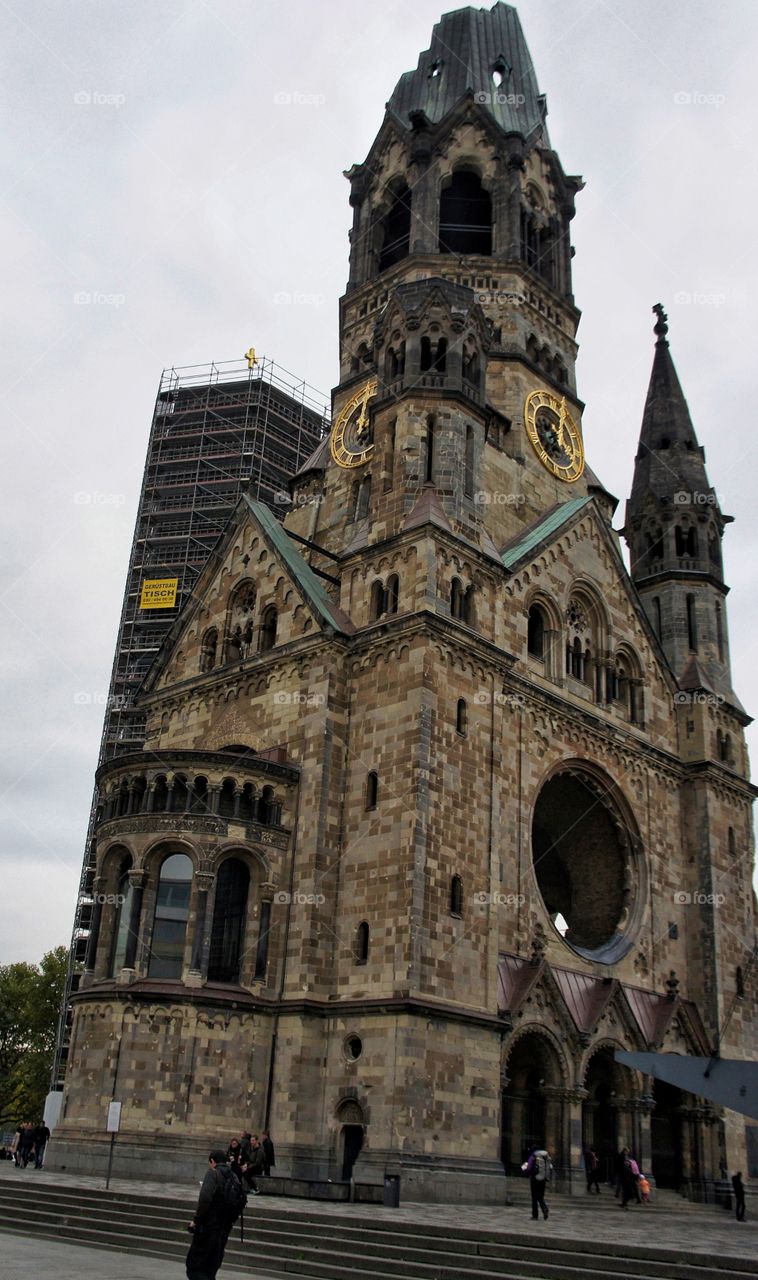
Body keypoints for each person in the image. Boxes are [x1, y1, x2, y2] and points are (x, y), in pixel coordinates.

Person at [186, 1149, 240, 1280]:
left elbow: (205, 1199)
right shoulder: (234, 1177)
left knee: (194, 1268)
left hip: (208, 1228)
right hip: (224, 1229)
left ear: (212, 1161)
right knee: (210, 1270)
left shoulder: (213, 1173)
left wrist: (196, 1220)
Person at [523, 1144, 551, 1221]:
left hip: (535, 1179)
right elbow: (550, 1167)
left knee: (534, 1197)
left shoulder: (533, 1156)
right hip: (543, 1179)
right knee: (540, 1196)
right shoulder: (545, 1156)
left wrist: (524, 1169)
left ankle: (535, 1216)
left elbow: (528, 1168)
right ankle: (544, 1208)